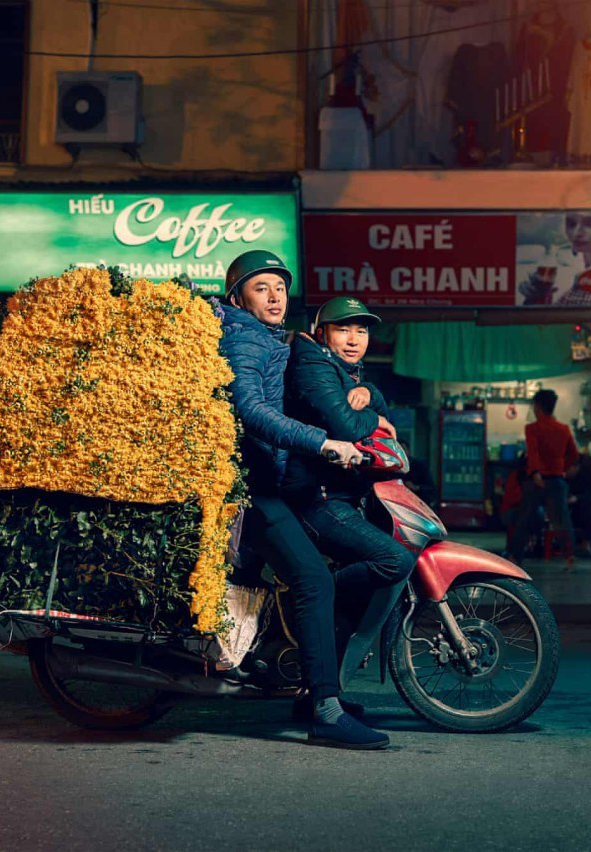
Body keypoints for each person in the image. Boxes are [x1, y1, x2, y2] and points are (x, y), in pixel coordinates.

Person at [216, 250, 389, 750]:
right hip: (250, 487)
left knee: (314, 576)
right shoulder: (244, 337)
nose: (274, 296)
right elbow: (249, 409)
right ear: (238, 297)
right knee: (313, 579)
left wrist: (367, 396)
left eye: (279, 287)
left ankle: (312, 682)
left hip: (271, 480)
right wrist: (322, 443)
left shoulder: (268, 337)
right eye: (260, 288)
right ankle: (326, 711)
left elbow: (327, 386)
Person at [281, 297, 418, 692]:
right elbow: (345, 423)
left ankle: (322, 692)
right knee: (393, 559)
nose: (354, 339)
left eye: (361, 330)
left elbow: (373, 404)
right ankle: (309, 599)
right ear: (322, 333)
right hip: (315, 497)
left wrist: (371, 394)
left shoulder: (343, 370)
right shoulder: (311, 364)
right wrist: (373, 415)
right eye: (343, 329)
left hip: (338, 495)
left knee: (362, 590)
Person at [513, 389, 579, 567]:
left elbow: (532, 452)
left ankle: (515, 558)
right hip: (557, 479)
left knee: (525, 519)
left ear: (538, 407)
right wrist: (562, 468)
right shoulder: (563, 429)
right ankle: (570, 556)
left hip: (537, 480)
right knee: (562, 520)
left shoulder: (532, 429)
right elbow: (573, 454)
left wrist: (535, 472)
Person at [566, 455, 591, 558]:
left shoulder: (589, 473)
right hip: (570, 501)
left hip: (585, 503)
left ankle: (586, 543)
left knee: (587, 509)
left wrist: (577, 498)